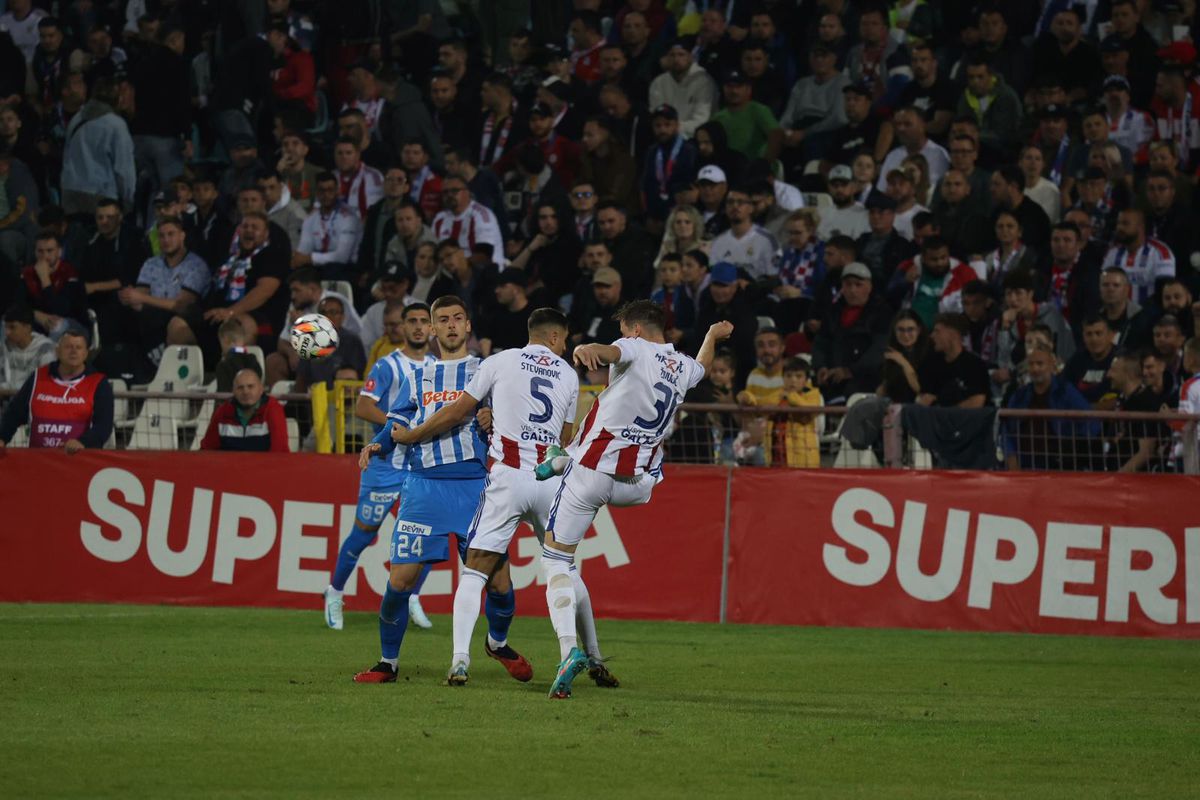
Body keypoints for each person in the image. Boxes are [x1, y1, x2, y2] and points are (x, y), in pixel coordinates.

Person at [396, 307, 615, 687]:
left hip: (507, 478)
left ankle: (460, 660)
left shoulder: (501, 360)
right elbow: (563, 438)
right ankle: (593, 657)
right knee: (565, 568)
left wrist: (415, 435)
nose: (564, 347)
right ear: (553, 337)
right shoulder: (567, 373)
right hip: (548, 481)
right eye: (563, 340)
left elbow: (458, 412)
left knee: (474, 571)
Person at [535, 303, 733, 698]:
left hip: (594, 474)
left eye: (625, 331)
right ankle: (593, 656)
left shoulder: (635, 348)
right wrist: (711, 335)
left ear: (636, 330)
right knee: (572, 568)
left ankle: (567, 652)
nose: (623, 338)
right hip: (638, 483)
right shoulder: (680, 366)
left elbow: (613, 352)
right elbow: (703, 367)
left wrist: (590, 347)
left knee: (555, 560)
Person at [352, 296, 490, 683]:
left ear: (467, 326)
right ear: (432, 329)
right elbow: (395, 421)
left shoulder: (486, 372)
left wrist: (492, 415)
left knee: (496, 580)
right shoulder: (418, 377)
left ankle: (498, 643)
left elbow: (506, 417)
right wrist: (379, 442)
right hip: (423, 490)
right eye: (442, 320)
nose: (450, 326)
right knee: (400, 580)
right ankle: (388, 663)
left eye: (457, 319)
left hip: (474, 488)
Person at [322, 302, 435, 630]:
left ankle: (412, 596)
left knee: (426, 536)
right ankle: (334, 593)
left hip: (418, 467)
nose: (416, 327)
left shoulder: (438, 367)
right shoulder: (388, 366)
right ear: (401, 327)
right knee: (363, 534)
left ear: (431, 328)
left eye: (422, 321)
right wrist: (398, 424)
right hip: (385, 465)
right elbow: (362, 406)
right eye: (410, 321)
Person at [0, 325, 111, 451]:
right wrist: (2, 437)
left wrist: (82, 442)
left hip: (79, 461)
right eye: (68, 347)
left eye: (78, 347)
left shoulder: (99, 383)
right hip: (38, 461)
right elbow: (14, 413)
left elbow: (103, 426)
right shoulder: (38, 377)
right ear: (57, 351)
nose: (73, 351)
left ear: (85, 354)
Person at [119, 217, 210, 367]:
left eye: (171, 234)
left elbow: (182, 305)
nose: (166, 240)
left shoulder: (196, 265)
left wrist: (141, 297)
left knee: (172, 322)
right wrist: (128, 297)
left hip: (187, 319)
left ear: (182, 236)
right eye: (161, 236)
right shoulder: (151, 264)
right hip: (152, 317)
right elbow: (138, 299)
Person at [1003, 343, 1096, 470]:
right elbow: (1006, 429)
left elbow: (1091, 421)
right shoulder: (1020, 395)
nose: (1035, 369)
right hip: (1024, 466)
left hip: (1058, 467)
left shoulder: (1066, 391)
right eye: (1031, 364)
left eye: (1040, 364)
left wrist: (1073, 453)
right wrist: (1011, 457)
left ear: (1051, 365)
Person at [811, 262, 890, 401]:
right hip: (832, 377)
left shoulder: (882, 313)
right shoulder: (833, 311)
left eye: (858, 285)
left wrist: (851, 371)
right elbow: (821, 342)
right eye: (848, 284)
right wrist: (821, 367)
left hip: (865, 380)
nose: (853, 290)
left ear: (869, 287)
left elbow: (879, 349)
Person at [60, 77, 135, 216]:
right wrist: (128, 200)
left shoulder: (76, 119)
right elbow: (123, 169)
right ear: (117, 99)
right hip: (101, 195)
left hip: (70, 192)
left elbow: (66, 156)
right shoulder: (116, 125)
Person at [199, 367, 289, 452]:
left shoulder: (273, 409)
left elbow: (279, 452)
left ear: (261, 389)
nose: (245, 392)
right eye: (240, 388)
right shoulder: (223, 411)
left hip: (264, 467)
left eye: (250, 386)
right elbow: (207, 449)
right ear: (233, 391)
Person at [294, 172, 363, 280]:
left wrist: (310, 258)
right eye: (322, 190)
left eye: (330, 190)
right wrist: (297, 258)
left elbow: (342, 257)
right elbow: (304, 250)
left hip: (346, 268)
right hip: (318, 267)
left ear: (337, 191)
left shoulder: (350, 217)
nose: (326, 194)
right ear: (316, 192)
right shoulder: (311, 219)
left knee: (331, 270)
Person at [1101, 207, 1176, 306]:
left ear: (1140, 227)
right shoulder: (1112, 253)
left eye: (1125, 223)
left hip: (1150, 316)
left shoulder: (1161, 253)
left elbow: (1165, 292)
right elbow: (1103, 285)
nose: (1119, 228)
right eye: (1118, 223)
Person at [1105, 350, 1163, 473]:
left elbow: (1146, 451)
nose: (1108, 375)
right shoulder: (1124, 400)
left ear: (1128, 374)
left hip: (1136, 483)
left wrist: (1118, 476)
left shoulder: (1144, 402)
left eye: (1114, 370)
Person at [20, 231, 86, 337]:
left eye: (49, 251)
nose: (45, 256)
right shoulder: (27, 273)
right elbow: (16, 304)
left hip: (71, 323)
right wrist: (36, 315)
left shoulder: (69, 273)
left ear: (59, 252)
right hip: (37, 320)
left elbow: (62, 310)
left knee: (57, 325)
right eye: (40, 251)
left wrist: (45, 279)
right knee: (7, 322)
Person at [647, 37, 717, 138]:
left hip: (696, 139)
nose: (676, 59)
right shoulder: (658, 82)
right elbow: (656, 116)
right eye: (672, 55)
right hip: (665, 137)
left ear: (691, 57)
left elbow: (702, 120)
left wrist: (675, 128)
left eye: (681, 54)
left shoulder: (704, 81)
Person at [431, 174, 506, 266]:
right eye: (445, 192)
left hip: (485, 273)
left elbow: (484, 255)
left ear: (467, 192)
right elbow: (433, 253)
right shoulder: (439, 219)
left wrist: (457, 265)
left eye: (454, 191)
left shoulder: (481, 215)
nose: (449, 195)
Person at [917, 313, 990, 408]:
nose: (932, 336)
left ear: (952, 334)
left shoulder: (975, 365)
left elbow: (977, 401)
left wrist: (946, 413)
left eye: (937, 331)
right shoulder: (930, 363)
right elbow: (923, 397)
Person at [708, 185, 778, 282]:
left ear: (751, 208)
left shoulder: (767, 240)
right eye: (730, 202)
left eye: (740, 202)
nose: (735, 206)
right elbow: (714, 276)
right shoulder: (718, 242)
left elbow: (774, 277)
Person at [1063, 315, 1117, 405]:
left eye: (1098, 333)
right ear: (1083, 337)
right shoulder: (1076, 360)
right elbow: (1064, 390)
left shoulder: (1121, 360)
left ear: (1110, 336)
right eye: (1089, 334)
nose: (1094, 339)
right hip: (1079, 416)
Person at [878, 310, 928, 403]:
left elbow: (919, 388)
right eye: (901, 330)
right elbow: (886, 386)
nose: (905, 335)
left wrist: (902, 361)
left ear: (919, 330)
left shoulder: (929, 353)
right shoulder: (891, 352)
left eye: (910, 329)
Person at [0, 306, 54, 389]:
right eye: (6, 327)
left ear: (27, 328)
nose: (7, 332)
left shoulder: (45, 349)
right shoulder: (4, 346)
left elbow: (44, 385)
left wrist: (6, 391)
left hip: (31, 399)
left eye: (12, 327)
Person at [818, 165, 869, 241]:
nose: (839, 189)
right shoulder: (822, 213)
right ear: (829, 187)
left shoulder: (864, 215)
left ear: (853, 186)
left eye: (844, 184)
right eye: (835, 185)